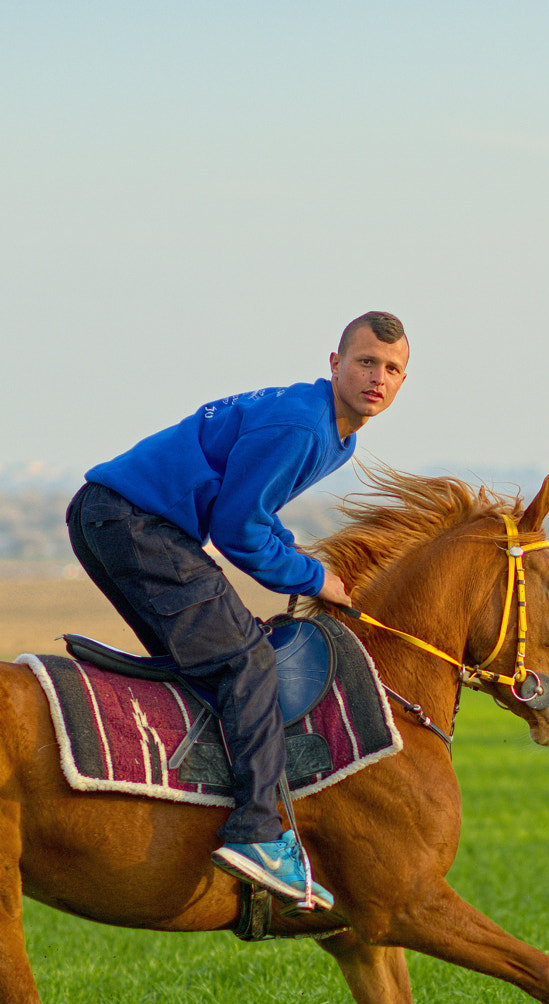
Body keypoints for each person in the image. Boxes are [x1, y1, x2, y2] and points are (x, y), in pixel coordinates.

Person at [66, 311, 410, 909]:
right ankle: (255, 832)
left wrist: (297, 557)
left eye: (392, 369)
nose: (377, 377)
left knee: (215, 657)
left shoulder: (337, 434)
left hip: (115, 517)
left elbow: (252, 509)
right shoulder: (304, 427)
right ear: (334, 364)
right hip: (135, 524)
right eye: (364, 362)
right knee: (249, 663)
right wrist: (314, 577)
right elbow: (236, 531)